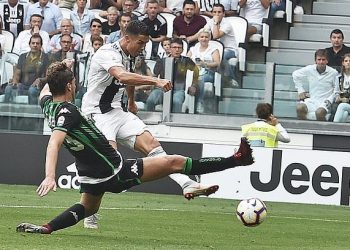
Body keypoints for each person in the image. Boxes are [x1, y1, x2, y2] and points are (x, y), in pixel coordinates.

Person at [15, 61, 254, 235]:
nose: (76, 85)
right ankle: (237, 159)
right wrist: (49, 176)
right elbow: (54, 143)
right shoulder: (69, 112)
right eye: (74, 82)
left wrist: (58, 70)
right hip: (114, 170)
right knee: (174, 162)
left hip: (90, 175)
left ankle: (47, 228)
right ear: (69, 86)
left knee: (87, 207)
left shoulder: (47, 105)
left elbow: (46, 89)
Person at [81, 21, 214, 229]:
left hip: (117, 111)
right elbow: (122, 75)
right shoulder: (107, 52)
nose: (143, 47)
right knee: (108, 167)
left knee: (152, 144)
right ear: (127, 39)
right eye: (140, 43)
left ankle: (187, 183)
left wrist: (132, 101)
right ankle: (90, 213)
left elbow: (127, 81)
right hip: (97, 113)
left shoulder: (131, 54)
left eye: (145, 43)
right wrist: (155, 81)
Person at [146, 37, 199, 112]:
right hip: (162, 88)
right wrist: (150, 87)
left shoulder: (186, 61)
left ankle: (175, 122)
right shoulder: (161, 61)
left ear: (182, 50)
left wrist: (193, 85)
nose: (177, 50)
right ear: (170, 49)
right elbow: (155, 76)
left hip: (178, 90)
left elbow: (196, 71)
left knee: (176, 101)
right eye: (174, 47)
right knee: (151, 100)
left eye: (179, 48)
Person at [292, 49, 338, 121]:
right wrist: (300, 90)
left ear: (327, 61)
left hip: (325, 102)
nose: (321, 62)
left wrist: (330, 100)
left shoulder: (333, 72)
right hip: (312, 101)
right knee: (300, 108)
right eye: (319, 59)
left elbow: (336, 90)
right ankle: (305, 130)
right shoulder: (310, 69)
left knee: (319, 113)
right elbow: (295, 74)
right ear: (315, 60)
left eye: (323, 59)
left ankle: (322, 132)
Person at [4, 34, 49, 104]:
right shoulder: (23, 56)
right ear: (29, 44)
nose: (35, 45)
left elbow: (48, 76)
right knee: (8, 88)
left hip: (38, 87)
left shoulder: (46, 57)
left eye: (37, 43)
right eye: (33, 43)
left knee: (32, 90)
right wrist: (15, 81)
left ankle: (32, 113)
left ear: (41, 45)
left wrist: (41, 80)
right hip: (23, 86)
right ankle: (6, 113)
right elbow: (17, 73)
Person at [204, 3, 239, 87]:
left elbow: (216, 36)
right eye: (214, 12)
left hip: (230, 49)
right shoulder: (210, 22)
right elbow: (203, 32)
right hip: (215, 49)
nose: (216, 14)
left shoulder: (227, 24)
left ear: (223, 14)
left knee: (220, 54)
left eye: (219, 12)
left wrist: (215, 23)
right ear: (211, 13)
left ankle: (230, 78)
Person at [187, 28, 220, 113]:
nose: (204, 39)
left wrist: (204, 64)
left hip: (208, 72)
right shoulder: (193, 49)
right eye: (202, 37)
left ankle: (199, 102)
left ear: (209, 38)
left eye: (206, 37)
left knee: (200, 80)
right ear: (198, 38)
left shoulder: (214, 49)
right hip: (193, 72)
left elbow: (217, 63)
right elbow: (186, 60)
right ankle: (187, 102)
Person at [333, 54, 350, 123]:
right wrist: (339, 98)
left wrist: (348, 99)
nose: (348, 62)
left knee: (342, 106)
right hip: (342, 102)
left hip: (345, 104)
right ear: (343, 63)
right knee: (344, 114)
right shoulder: (339, 77)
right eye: (346, 61)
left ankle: (333, 128)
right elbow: (336, 92)